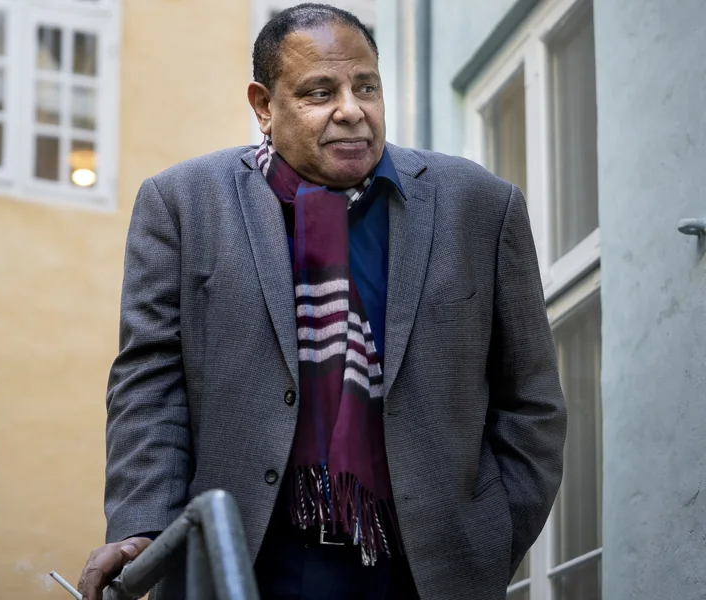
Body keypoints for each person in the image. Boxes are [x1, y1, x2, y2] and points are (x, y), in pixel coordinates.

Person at [77, 4, 567, 600]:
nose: (351, 110)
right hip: (245, 567)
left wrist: (488, 541)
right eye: (320, 92)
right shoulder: (183, 204)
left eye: (366, 87)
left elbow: (530, 400)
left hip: (425, 575)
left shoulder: (479, 205)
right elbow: (150, 386)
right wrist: (145, 527)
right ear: (263, 106)